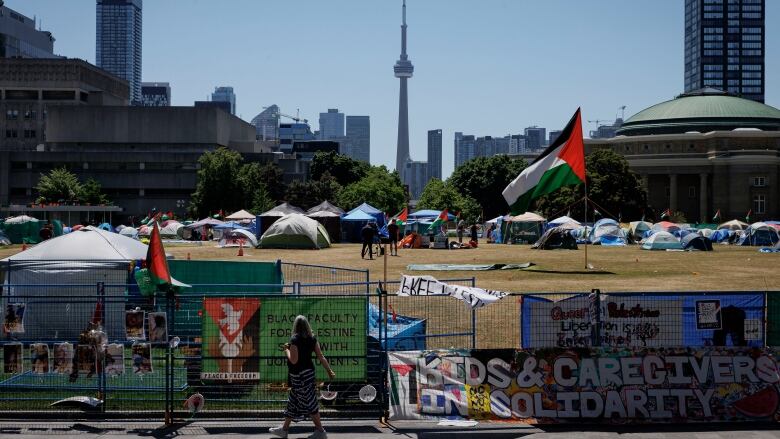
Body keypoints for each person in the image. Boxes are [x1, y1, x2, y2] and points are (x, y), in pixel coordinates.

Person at [270, 315, 336, 439]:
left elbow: (294, 361)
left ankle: (321, 431)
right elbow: (321, 356)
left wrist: (286, 350)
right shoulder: (312, 339)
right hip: (309, 374)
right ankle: (284, 430)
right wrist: (329, 370)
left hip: (298, 376)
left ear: (295, 325)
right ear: (307, 326)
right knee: (293, 401)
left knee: (310, 402)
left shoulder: (295, 339)